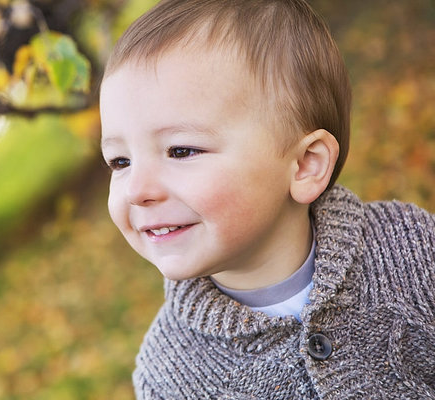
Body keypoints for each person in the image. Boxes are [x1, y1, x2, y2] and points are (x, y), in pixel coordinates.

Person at [99, 0, 435, 398]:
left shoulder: (411, 250)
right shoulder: (171, 377)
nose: (137, 190)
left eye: (181, 151)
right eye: (120, 161)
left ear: (304, 165)